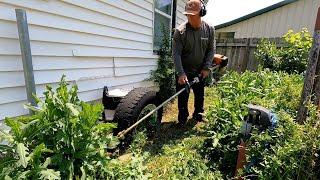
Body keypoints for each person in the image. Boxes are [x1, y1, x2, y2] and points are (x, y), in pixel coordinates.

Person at [172, 0, 215, 125]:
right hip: (184, 71)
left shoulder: (209, 29)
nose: (190, 18)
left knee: (199, 95)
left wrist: (206, 67)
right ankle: (182, 119)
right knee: (183, 97)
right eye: (188, 15)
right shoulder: (180, 32)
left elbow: (211, 49)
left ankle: (198, 115)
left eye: (193, 15)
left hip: (200, 70)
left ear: (202, 13)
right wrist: (181, 73)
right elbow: (176, 53)